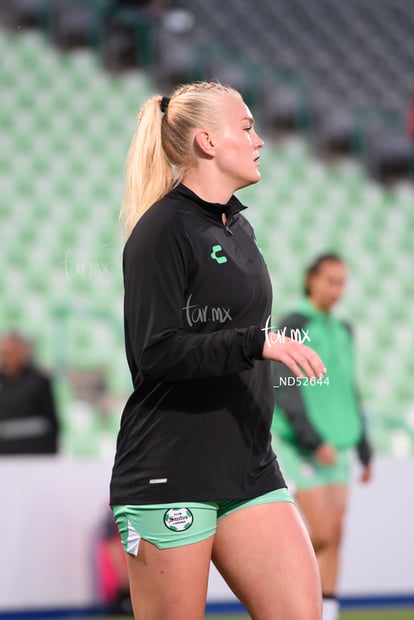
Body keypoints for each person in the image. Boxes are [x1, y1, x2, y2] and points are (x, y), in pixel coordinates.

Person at [109, 81, 328, 620]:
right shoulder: (160, 231)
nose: (259, 141)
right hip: (170, 471)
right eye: (247, 128)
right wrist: (254, 343)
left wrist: (253, 346)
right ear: (207, 141)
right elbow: (155, 353)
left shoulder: (240, 228)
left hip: (250, 469)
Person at [271, 253, 373, 620]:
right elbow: (284, 388)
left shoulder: (344, 329)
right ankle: (275, 580)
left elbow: (349, 388)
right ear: (311, 280)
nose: (336, 289)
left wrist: (364, 448)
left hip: (340, 449)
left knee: (336, 535)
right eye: (330, 280)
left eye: (342, 282)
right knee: (322, 532)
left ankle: (327, 613)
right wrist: (313, 440)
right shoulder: (293, 324)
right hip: (308, 449)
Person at [0, 331, 60, 454]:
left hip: (34, 457)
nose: (5, 359)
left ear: (23, 353)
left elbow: (52, 422)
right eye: (3, 354)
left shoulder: (40, 382)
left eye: (9, 354)